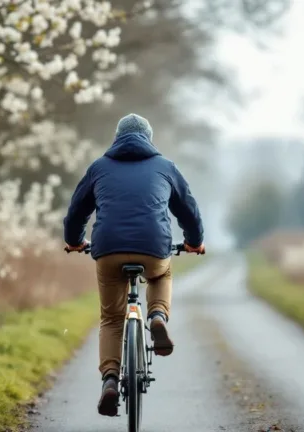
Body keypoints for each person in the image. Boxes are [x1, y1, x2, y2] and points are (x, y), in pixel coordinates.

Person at [63, 113, 205, 417]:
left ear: (116, 138)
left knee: (112, 318)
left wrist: (74, 241)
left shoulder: (99, 167)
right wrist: (194, 241)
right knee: (162, 273)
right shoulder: (165, 167)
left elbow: (76, 211)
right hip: (154, 249)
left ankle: (111, 381)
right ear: (149, 138)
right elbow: (188, 210)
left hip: (108, 250)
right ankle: (157, 318)